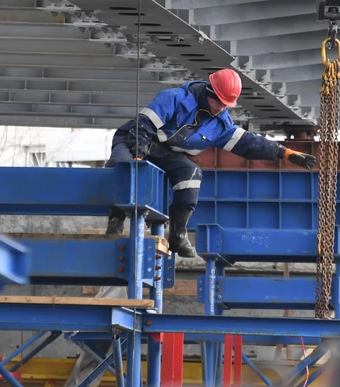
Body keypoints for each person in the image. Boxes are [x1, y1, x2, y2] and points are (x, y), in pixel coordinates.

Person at [106, 69, 317, 258]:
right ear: (209, 92)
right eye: (220, 102)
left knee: (191, 174)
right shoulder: (174, 98)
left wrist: (286, 153)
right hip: (134, 139)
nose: (221, 108)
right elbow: (143, 125)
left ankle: (177, 235)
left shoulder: (220, 125)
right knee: (125, 168)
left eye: (226, 104)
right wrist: (138, 156)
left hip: (164, 152)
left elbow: (250, 144)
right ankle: (115, 221)